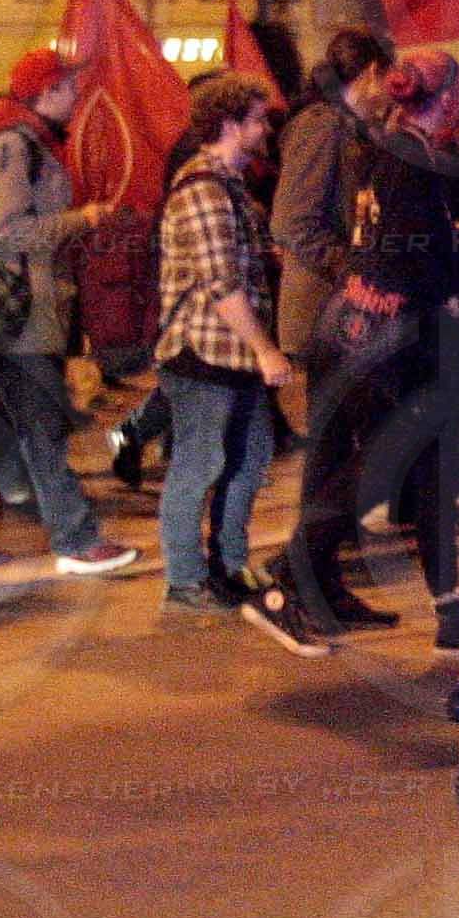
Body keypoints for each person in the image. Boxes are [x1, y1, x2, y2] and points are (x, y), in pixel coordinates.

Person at [287, 53, 459, 652]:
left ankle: (448, 611)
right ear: (449, 98)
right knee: (380, 464)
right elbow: (413, 262)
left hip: (359, 327)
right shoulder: (410, 160)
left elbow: (406, 246)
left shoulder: (391, 149)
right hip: (381, 336)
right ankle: (291, 574)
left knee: (414, 467)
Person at [0, 50, 141, 579]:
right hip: (17, 313)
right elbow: (4, 233)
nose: (76, 96)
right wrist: (80, 219)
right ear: (45, 92)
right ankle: (76, 540)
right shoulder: (13, 147)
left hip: (30, 310)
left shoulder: (33, 144)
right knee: (41, 428)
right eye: (68, 87)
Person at [151, 74, 304, 630]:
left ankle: (230, 565)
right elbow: (221, 285)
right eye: (258, 119)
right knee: (199, 466)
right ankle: (184, 580)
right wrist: (267, 350)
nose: (267, 129)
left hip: (231, 354)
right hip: (204, 351)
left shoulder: (231, 186)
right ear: (229, 124)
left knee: (250, 459)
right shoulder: (203, 191)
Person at [271, 25, 393, 391]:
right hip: (321, 308)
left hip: (340, 311)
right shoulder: (323, 124)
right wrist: (350, 268)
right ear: (372, 72)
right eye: (389, 80)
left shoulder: (350, 127)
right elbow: (292, 223)